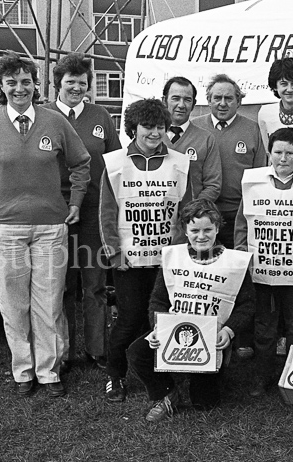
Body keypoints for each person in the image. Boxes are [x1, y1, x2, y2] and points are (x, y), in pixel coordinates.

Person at [0, 51, 91, 397]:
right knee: (14, 304)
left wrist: (75, 202)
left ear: (35, 84)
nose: (20, 88)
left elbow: (81, 163)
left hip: (50, 228)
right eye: (11, 82)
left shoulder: (54, 122)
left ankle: (49, 370)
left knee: (49, 303)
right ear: (0, 86)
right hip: (4, 229)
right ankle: (23, 370)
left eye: (26, 81)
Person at [126, 199, 254, 422]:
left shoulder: (234, 263)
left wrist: (229, 331)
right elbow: (158, 300)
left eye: (207, 230)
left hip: (211, 338)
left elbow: (248, 305)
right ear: (185, 230)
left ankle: (218, 364)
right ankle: (166, 393)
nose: (201, 236)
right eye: (195, 230)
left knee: (205, 403)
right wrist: (157, 328)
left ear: (217, 228)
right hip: (173, 331)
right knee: (137, 353)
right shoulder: (173, 257)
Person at [99, 99, 190, 403]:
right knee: (129, 319)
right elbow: (107, 212)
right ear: (133, 128)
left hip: (166, 260)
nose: (154, 133)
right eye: (148, 127)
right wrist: (114, 252)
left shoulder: (179, 163)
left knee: (162, 317)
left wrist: (179, 253)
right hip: (129, 260)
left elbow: (186, 212)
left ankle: (161, 371)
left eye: (160, 127)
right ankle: (115, 374)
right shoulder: (115, 163)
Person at [234, 128, 293, 397]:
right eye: (278, 152)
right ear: (269, 154)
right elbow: (243, 223)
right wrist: (242, 254)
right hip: (263, 271)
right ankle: (262, 377)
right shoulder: (254, 184)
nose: (283, 158)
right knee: (264, 327)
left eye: (290, 153)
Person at [45, 53, 121, 370]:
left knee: (95, 283)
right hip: (55, 211)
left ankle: (96, 348)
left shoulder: (100, 115)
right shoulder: (44, 115)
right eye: (70, 82)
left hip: (93, 210)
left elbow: (115, 162)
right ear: (58, 84)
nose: (77, 88)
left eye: (82, 82)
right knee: (61, 285)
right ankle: (63, 352)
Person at [192, 74, 265, 249]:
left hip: (238, 215)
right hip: (201, 214)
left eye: (229, 98)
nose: (223, 103)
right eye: (217, 98)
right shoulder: (194, 128)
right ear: (208, 101)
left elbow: (259, 174)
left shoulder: (253, 129)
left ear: (238, 101)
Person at [162, 76, 222, 204]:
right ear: (164, 101)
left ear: (194, 104)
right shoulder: (151, 137)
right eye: (175, 98)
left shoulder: (206, 139)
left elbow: (213, 185)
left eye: (187, 100)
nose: (181, 105)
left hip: (192, 213)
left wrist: (192, 209)